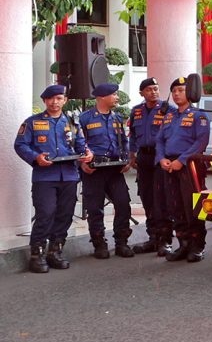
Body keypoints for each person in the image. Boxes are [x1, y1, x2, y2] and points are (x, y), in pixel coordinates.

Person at [14, 85, 93, 273]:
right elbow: (20, 145)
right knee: (46, 214)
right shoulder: (32, 123)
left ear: (64, 100)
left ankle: (55, 251)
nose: (54, 102)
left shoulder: (73, 123)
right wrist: (35, 157)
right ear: (44, 101)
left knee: (65, 214)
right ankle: (37, 254)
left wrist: (87, 154)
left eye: (59, 98)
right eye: (50, 99)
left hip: (69, 175)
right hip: (45, 177)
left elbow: (81, 145)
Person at [156, 77, 211, 262]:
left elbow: (200, 142)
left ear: (190, 93)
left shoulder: (198, 116)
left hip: (190, 166)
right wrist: (161, 158)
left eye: (181, 90)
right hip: (169, 165)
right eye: (174, 91)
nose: (177, 94)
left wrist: (182, 160)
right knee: (175, 205)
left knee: (192, 206)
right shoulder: (169, 116)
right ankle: (183, 244)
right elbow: (160, 140)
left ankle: (197, 246)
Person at [79, 83, 133, 259]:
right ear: (101, 97)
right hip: (94, 171)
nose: (117, 97)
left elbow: (124, 141)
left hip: (114, 170)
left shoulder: (117, 118)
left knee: (123, 203)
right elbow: (77, 144)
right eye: (114, 94)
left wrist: (126, 159)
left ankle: (122, 242)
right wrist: (81, 163)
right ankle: (99, 243)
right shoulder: (85, 118)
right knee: (94, 208)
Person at [127, 77, 174, 255]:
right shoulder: (137, 111)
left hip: (160, 157)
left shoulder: (167, 109)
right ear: (142, 93)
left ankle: (165, 240)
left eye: (155, 89)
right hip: (144, 158)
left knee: (161, 199)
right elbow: (132, 134)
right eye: (149, 90)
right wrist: (132, 154)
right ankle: (153, 238)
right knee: (147, 197)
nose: (153, 92)